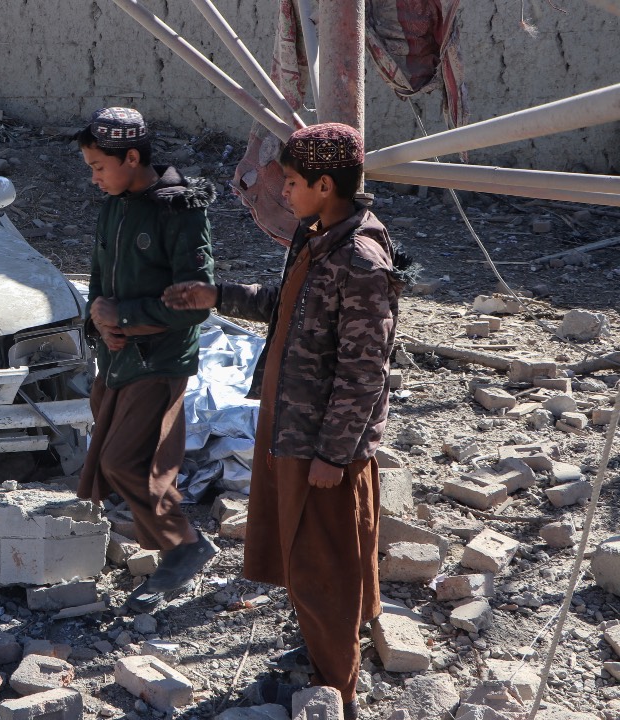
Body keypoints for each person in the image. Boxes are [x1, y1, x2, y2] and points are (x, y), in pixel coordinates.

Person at [162, 123, 411, 718]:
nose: (284, 193)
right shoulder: (317, 234)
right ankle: (332, 649)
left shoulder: (360, 260)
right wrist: (217, 296)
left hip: (322, 442)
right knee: (315, 553)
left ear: (325, 185)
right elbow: (288, 305)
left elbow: (365, 371)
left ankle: (334, 686)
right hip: (294, 428)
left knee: (323, 562)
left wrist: (332, 454)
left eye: (293, 183)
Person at [74, 107, 220, 614]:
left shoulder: (179, 211)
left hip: (159, 360)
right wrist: (99, 321)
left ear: (132, 158)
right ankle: (170, 544)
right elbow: (99, 275)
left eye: (99, 167)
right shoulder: (115, 205)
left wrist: (126, 317)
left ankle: (186, 547)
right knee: (113, 460)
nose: (94, 178)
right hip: (117, 358)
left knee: (127, 461)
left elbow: (194, 302)